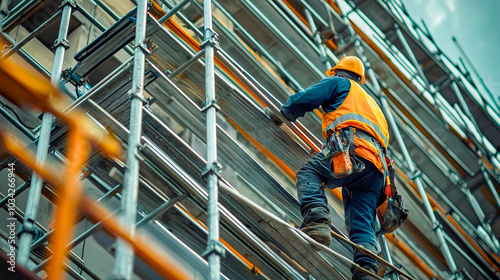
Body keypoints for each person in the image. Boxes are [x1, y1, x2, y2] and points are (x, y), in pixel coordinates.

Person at [267, 56, 390, 280]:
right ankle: (366, 273)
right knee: (362, 223)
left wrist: (284, 114)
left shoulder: (340, 83)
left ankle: (317, 222)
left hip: (353, 151)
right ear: (360, 78)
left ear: (338, 73)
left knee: (309, 173)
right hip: (377, 171)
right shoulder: (374, 106)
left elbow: (306, 98)